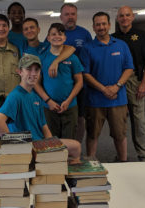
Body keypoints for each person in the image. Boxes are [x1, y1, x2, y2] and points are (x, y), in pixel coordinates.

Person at [0, 54, 81, 163]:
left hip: (39, 143)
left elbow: (44, 127)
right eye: (29, 69)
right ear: (20, 72)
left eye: (37, 70)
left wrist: (50, 147)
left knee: (76, 147)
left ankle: (58, 169)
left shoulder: (35, 96)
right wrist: (15, 146)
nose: (34, 74)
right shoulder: (15, 96)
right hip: (29, 146)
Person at [80, 12, 134, 162]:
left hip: (118, 100)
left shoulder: (121, 45)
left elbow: (129, 68)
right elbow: (85, 73)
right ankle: (91, 163)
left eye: (104, 24)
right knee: (92, 134)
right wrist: (104, 89)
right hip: (94, 101)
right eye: (98, 24)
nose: (101, 27)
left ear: (109, 25)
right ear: (93, 27)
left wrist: (116, 86)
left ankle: (123, 161)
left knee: (120, 134)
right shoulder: (87, 47)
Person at [112, 6, 145, 161]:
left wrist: (143, 83)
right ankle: (121, 155)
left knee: (138, 120)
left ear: (133, 17)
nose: (124, 18)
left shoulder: (141, 35)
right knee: (118, 120)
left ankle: (144, 155)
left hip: (134, 81)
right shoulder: (113, 37)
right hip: (116, 82)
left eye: (127, 15)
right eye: (121, 15)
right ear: (117, 18)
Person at [35, 23, 83, 140]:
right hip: (49, 107)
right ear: (48, 38)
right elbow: (36, 83)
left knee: (69, 140)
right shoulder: (42, 57)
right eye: (53, 34)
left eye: (60, 34)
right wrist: (48, 100)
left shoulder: (73, 58)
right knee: (51, 141)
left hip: (69, 106)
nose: (57, 36)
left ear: (65, 38)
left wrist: (68, 100)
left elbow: (79, 82)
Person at [60, 3, 93, 143]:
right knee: (60, 116)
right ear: (61, 17)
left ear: (77, 15)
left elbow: (91, 56)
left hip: (80, 85)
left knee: (80, 118)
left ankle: (76, 148)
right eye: (67, 14)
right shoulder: (57, 33)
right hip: (61, 84)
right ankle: (59, 148)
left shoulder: (84, 34)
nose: (70, 17)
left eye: (73, 14)